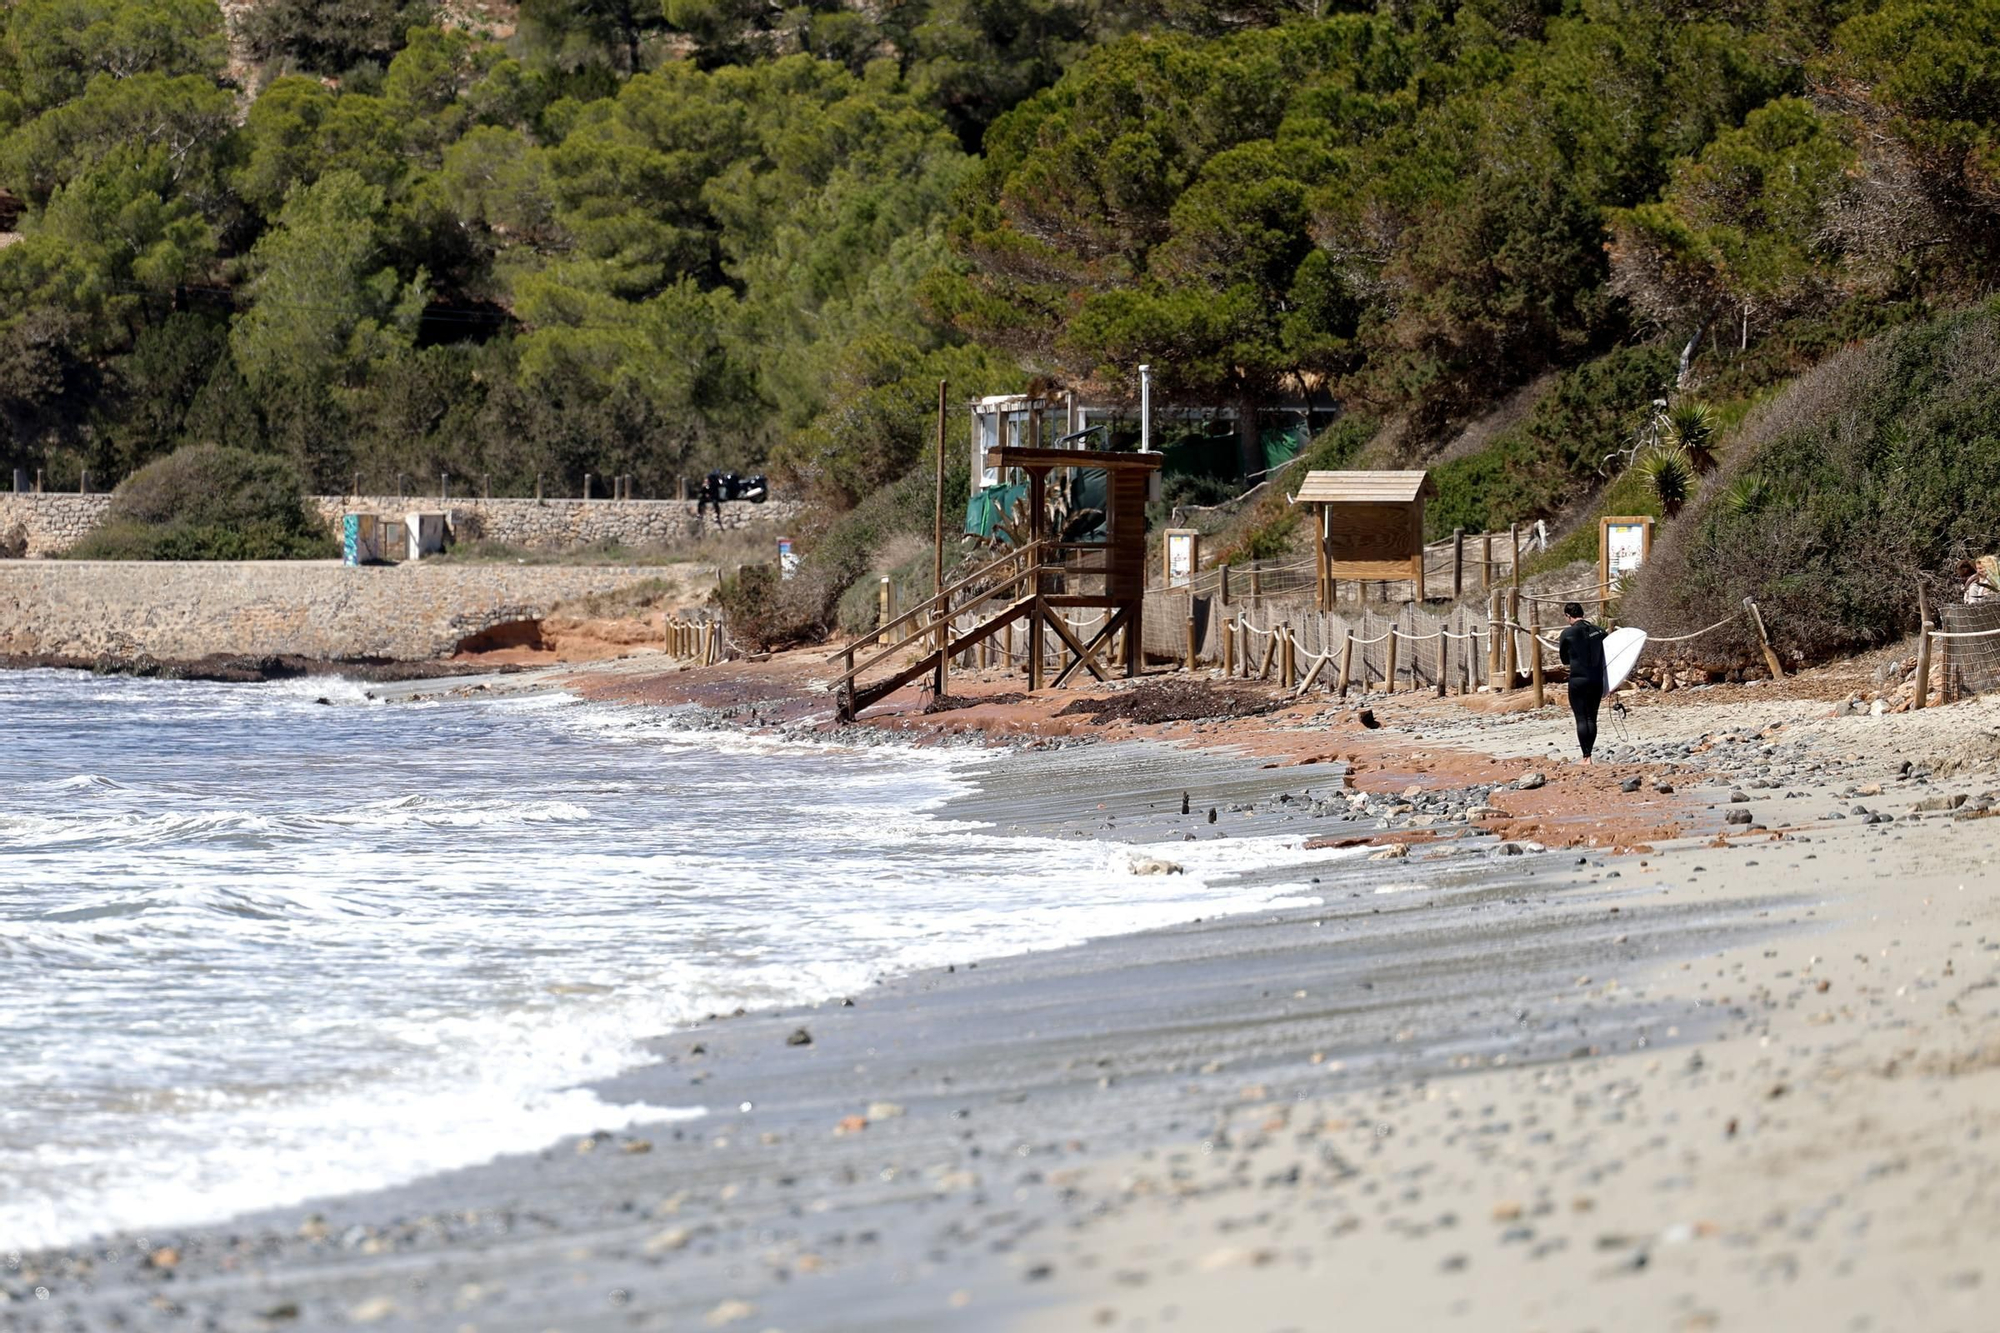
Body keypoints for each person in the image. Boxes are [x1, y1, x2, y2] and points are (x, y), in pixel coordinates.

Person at [1558, 601, 1609, 765]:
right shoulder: (1599, 631)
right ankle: (1590, 754)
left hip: (1578, 680)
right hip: (1596, 679)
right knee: (1592, 718)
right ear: (1583, 613)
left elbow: (1565, 660)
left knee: (1581, 718)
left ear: (1567, 615)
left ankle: (1586, 756)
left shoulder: (1567, 633)